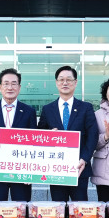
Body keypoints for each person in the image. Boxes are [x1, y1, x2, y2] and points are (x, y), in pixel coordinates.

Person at [38, 65, 98, 201]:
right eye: (61, 80)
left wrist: (84, 159)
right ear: (56, 83)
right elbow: (39, 136)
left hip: (79, 167)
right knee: (58, 208)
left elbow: (92, 135)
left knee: (79, 208)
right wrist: (48, 135)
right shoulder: (48, 109)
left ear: (75, 82)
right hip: (56, 168)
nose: (65, 83)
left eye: (69, 80)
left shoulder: (86, 108)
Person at [0, 68, 37, 201]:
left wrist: (31, 172)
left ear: (19, 87)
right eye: (6, 83)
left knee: (22, 209)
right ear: (0, 87)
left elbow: (35, 141)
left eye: (14, 84)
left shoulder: (29, 111)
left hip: (22, 170)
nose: (10, 87)